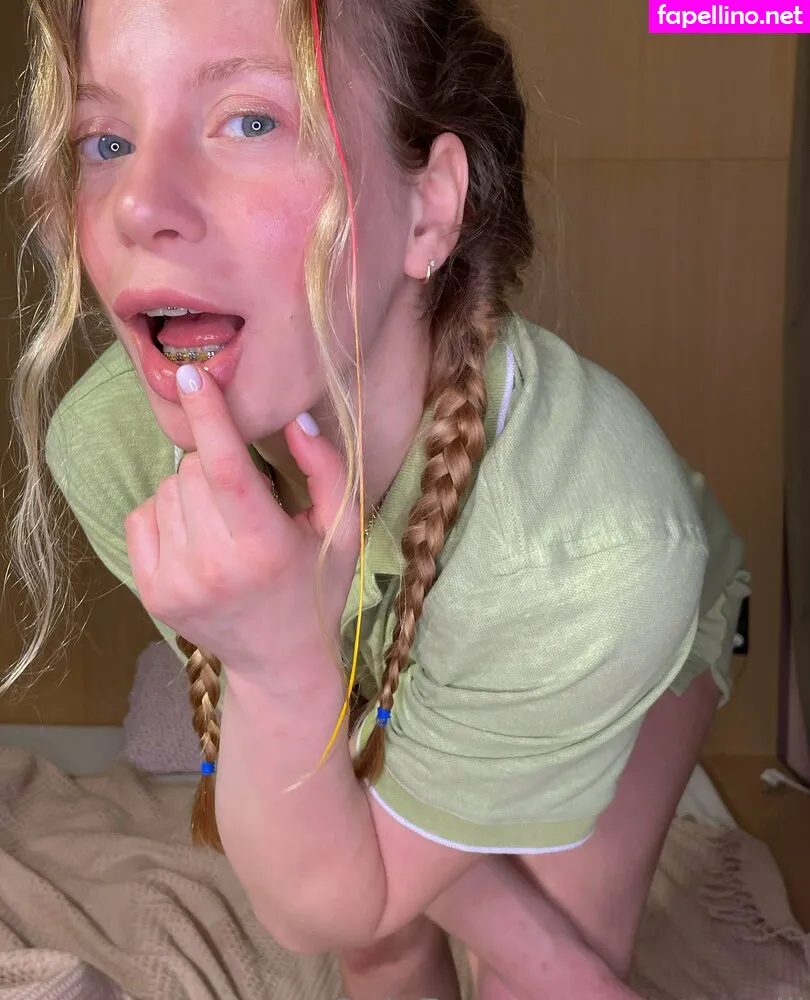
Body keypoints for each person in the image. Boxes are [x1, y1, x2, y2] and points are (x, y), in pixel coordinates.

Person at [6, 0, 751, 997]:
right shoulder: (109, 442)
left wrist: (542, 958)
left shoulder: (599, 554)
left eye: (251, 120)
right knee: (380, 937)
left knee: (541, 971)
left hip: (620, 624)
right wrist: (279, 665)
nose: (136, 203)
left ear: (430, 210)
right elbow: (334, 879)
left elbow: (355, 867)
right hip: (446, 630)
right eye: (105, 140)